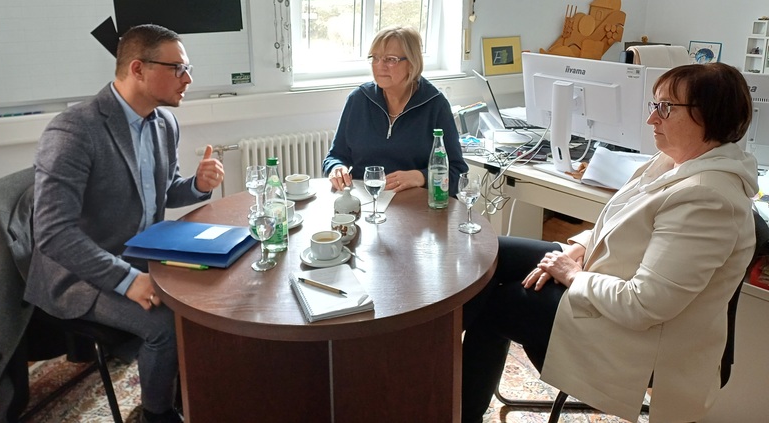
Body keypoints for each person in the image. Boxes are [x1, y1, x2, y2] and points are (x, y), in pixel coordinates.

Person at [461, 63, 758, 423]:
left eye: (666, 107)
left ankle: (453, 407)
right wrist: (580, 247)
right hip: (606, 278)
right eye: (655, 105)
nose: (652, 119)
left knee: (498, 305)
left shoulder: (709, 199)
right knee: (491, 252)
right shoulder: (674, 163)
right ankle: (423, 364)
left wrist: (572, 275)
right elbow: (626, 222)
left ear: (709, 116)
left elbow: (644, 305)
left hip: (641, 335)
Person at [25, 24, 224, 423]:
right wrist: (128, 280)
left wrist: (198, 186)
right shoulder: (75, 130)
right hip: (78, 274)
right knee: (166, 324)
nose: (189, 79)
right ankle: (156, 414)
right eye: (179, 69)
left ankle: (191, 391)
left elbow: (163, 191)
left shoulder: (163, 123)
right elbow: (53, 231)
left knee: (209, 292)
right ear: (138, 68)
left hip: (137, 253)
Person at [323, 26, 468, 196]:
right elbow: (334, 157)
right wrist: (337, 168)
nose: (379, 66)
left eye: (390, 59)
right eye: (375, 58)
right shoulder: (358, 100)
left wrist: (421, 177)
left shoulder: (435, 105)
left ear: (412, 64)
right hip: (367, 203)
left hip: (417, 208)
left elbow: (458, 173)